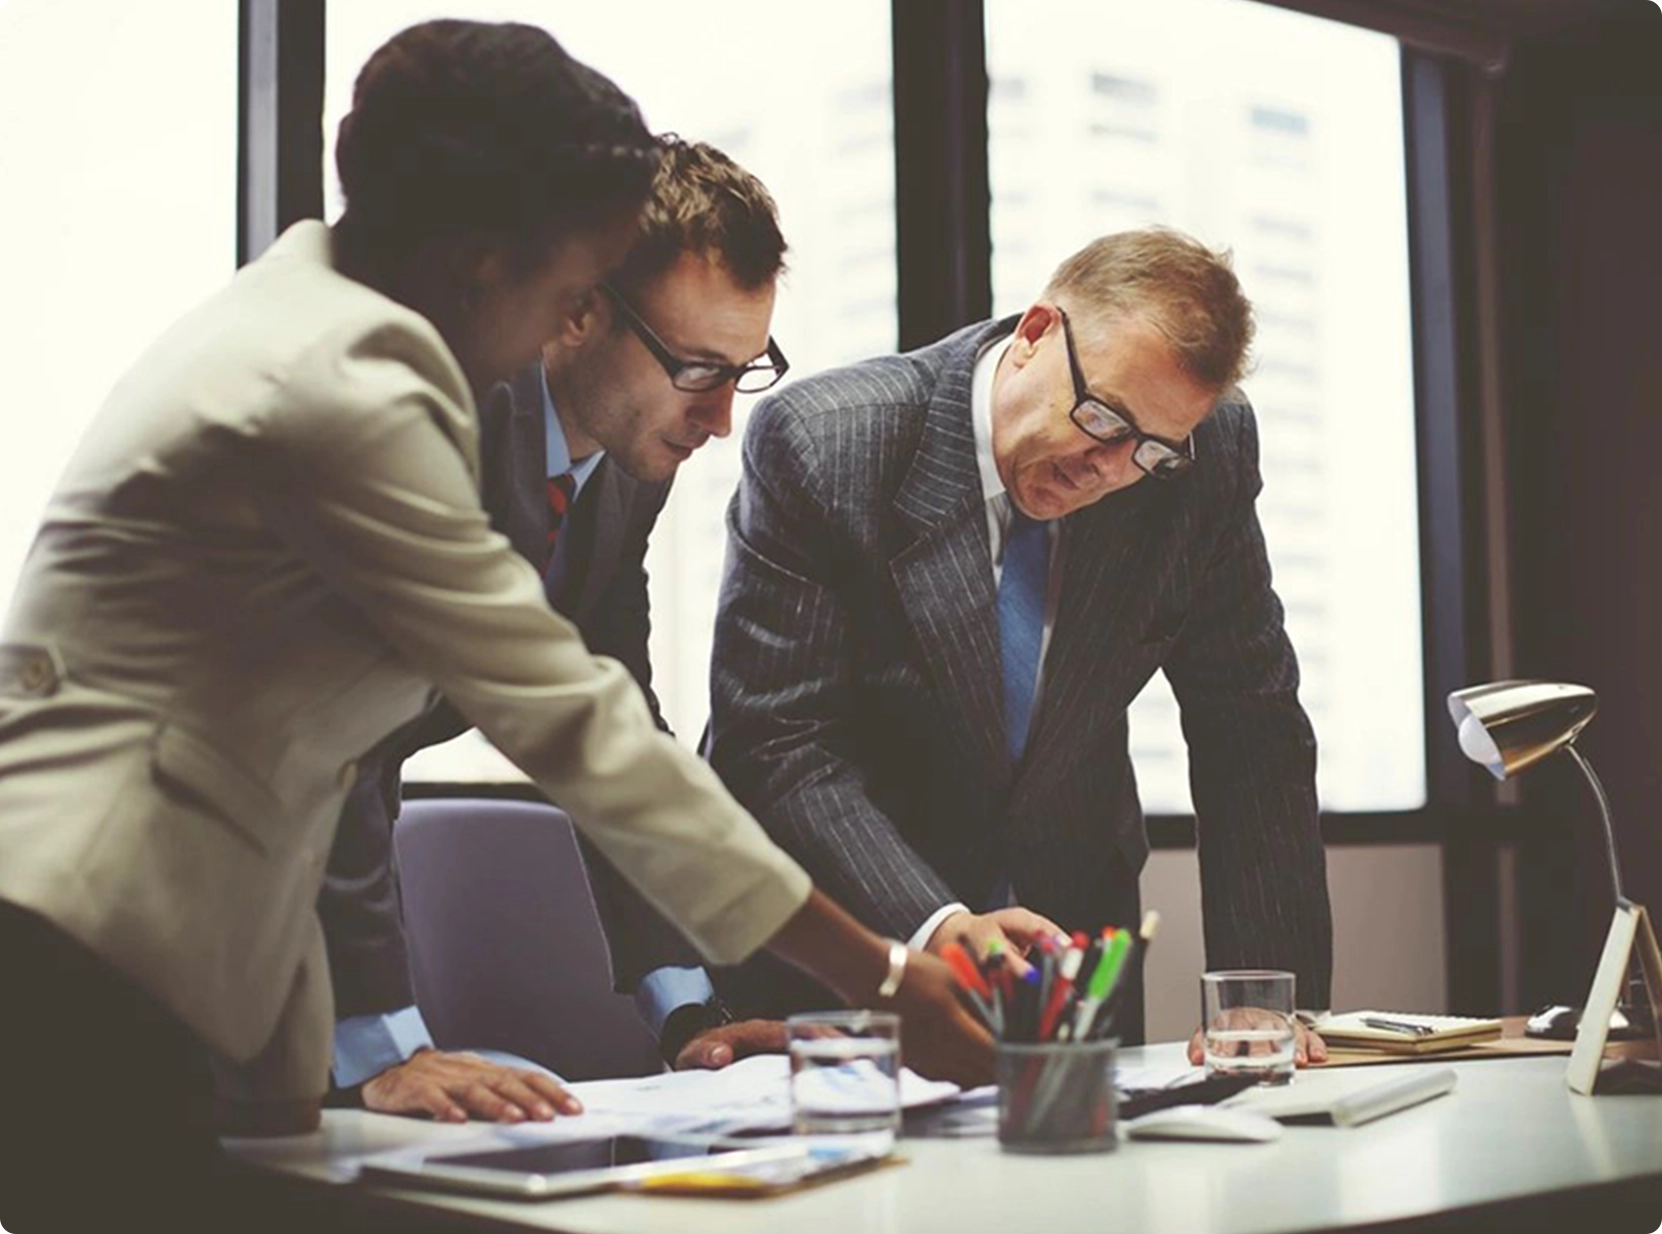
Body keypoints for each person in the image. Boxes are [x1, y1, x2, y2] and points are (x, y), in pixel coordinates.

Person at [0, 21, 986, 1227]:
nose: (562, 331)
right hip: (80, 934)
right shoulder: (345, 387)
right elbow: (564, 719)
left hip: (186, 941)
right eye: (569, 291)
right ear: (480, 261)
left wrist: (695, 1001)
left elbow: (595, 699)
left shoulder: (329, 322)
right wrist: (883, 974)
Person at [676, 226, 1334, 1057]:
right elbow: (775, 744)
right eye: (1102, 419)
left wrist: (1263, 994)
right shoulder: (829, 441)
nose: (1111, 469)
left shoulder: (1205, 455)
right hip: (849, 960)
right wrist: (937, 922)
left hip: (1070, 956)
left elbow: (1253, 728)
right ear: (1033, 336)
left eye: (1151, 454)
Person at [321, 136, 799, 1122]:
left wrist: (689, 1012)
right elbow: (336, 743)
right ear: (579, 311)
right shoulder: (427, 421)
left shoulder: (627, 467)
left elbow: (611, 728)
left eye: (745, 371)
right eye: (697, 368)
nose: (719, 424)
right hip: (178, 872)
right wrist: (383, 1041)